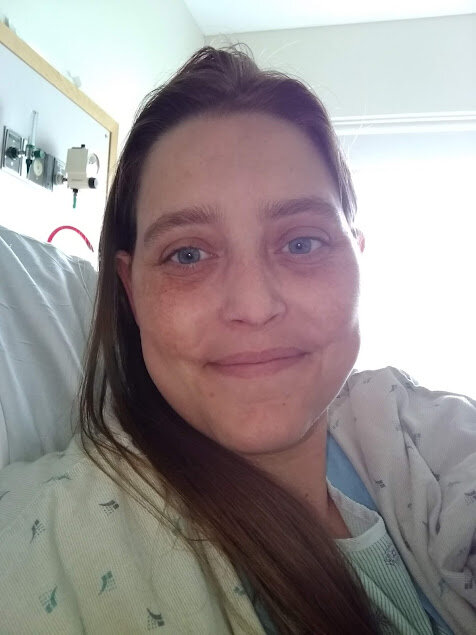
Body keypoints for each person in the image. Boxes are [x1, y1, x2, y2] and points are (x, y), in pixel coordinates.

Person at [0, 45, 474, 634]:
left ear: (358, 256)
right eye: (188, 254)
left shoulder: (426, 436)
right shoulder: (51, 545)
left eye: (302, 242)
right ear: (129, 289)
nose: (254, 306)